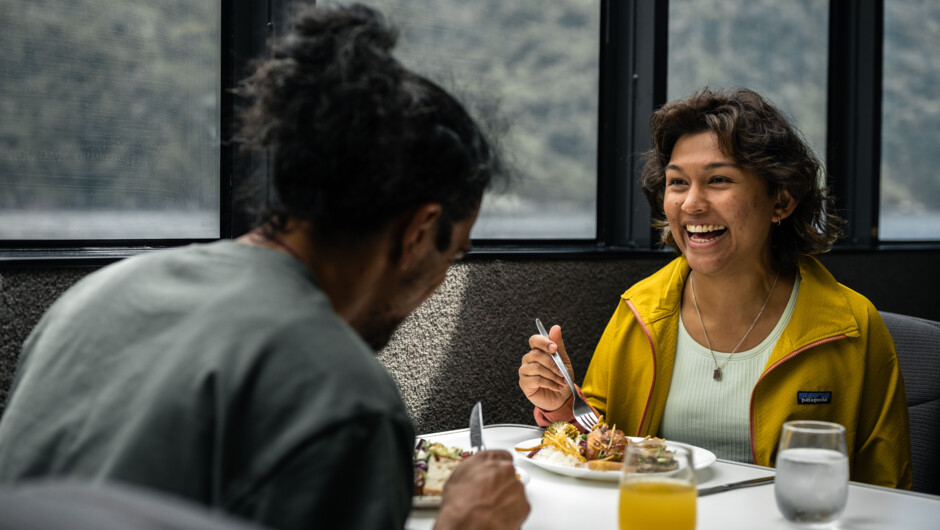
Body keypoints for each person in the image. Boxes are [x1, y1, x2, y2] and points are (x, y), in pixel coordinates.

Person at [0, 4, 529, 529]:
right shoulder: (346, 398)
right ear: (418, 232)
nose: (439, 284)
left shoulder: (92, 299)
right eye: (452, 253)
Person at [518, 87, 912, 489]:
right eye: (677, 183)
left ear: (782, 200)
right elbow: (602, 450)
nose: (691, 204)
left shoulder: (852, 326)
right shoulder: (640, 309)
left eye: (718, 180)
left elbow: (887, 488)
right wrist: (566, 408)